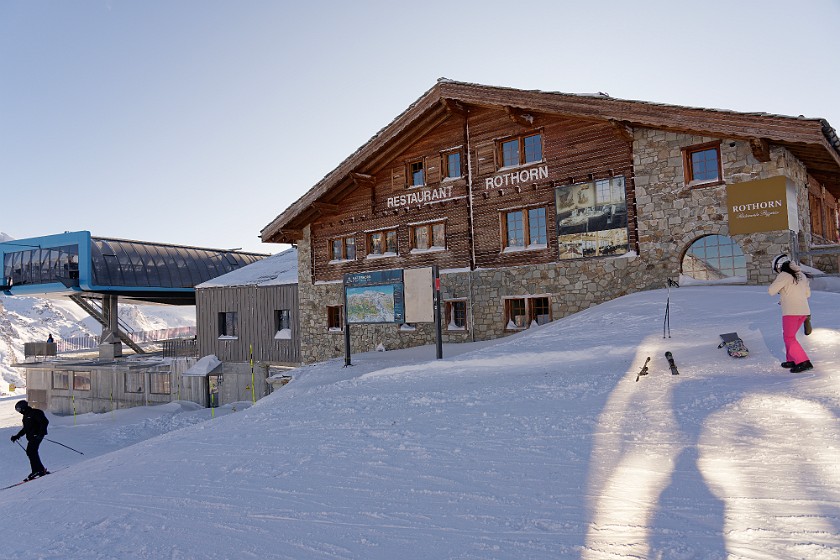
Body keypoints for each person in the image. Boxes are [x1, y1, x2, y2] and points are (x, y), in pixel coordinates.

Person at [768, 254, 813, 373]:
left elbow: (771, 291)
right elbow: (807, 294)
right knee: (789, 336)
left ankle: (804, 362)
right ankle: (792, 359)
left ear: (779, 266)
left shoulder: (784, 275)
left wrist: (782, 288)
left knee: (789, 337)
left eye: (776, 269)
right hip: (804, 312)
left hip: (791, 312)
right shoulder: (802, 275)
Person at [10, 400, 50, 480]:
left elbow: (44, 422)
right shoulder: (26, 416)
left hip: (37, 436)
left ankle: (36, 470)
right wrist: (17, 436)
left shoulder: (35, 413)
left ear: (23, 408)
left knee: (31, 451)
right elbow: (25, 429)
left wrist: (40, 434)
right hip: (32, 437)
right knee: (31, 452)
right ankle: (40, 470)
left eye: (19, 409)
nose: (19, 411)